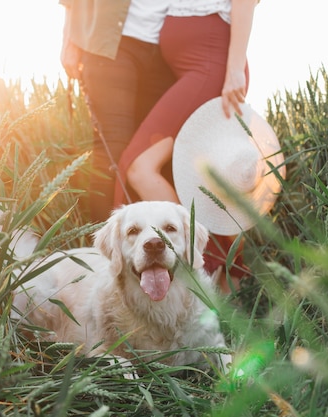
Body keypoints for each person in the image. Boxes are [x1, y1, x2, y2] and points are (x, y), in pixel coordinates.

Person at [114, 0, 259, 293]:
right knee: (203, 176)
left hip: (211, 63)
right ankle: (224, 271)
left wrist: (233, 70)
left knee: (139, 166)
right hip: (196, 63)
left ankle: (196, 266)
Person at [59, 0, 176, 223]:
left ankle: (154, 248)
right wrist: (69, 39)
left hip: (167, 49)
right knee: (111, 152)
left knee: (157, 155)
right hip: (111, 44)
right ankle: (102, 253)